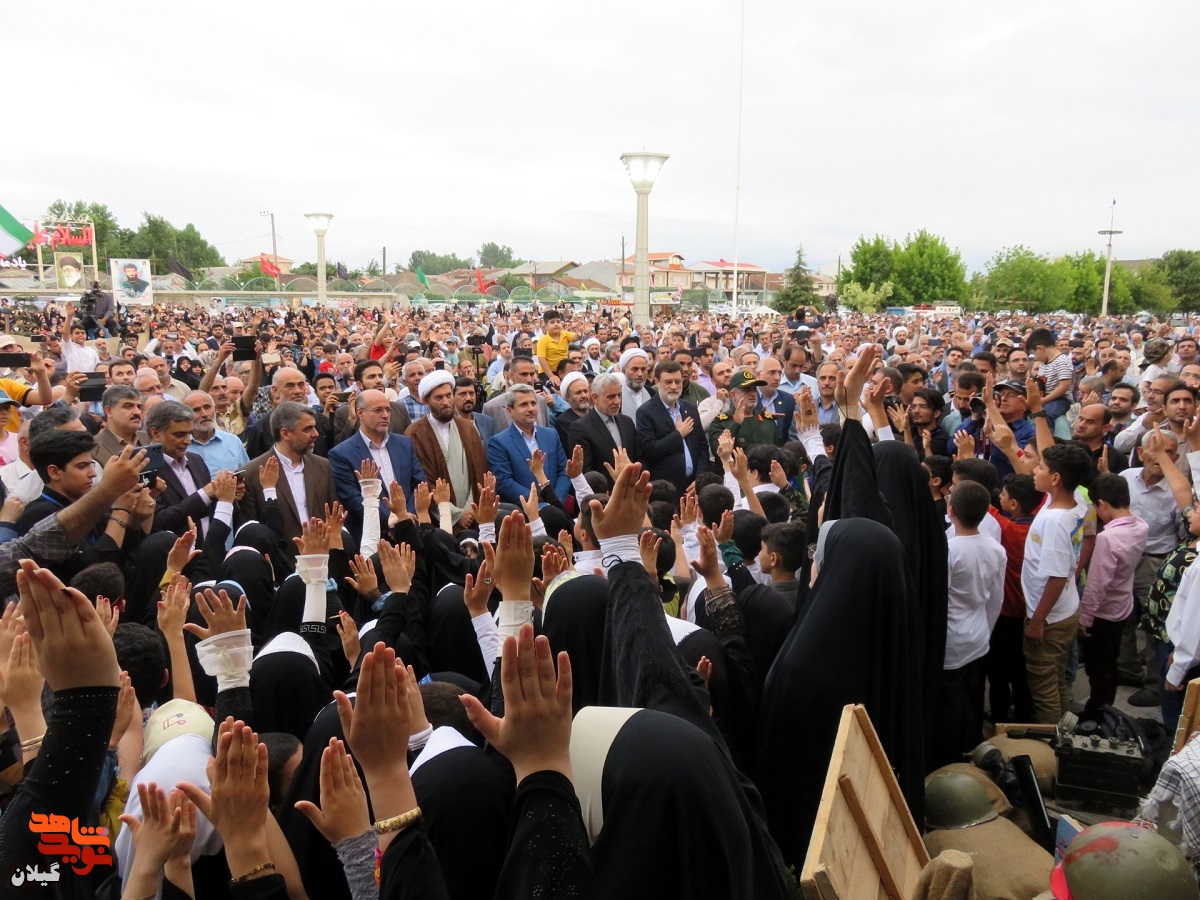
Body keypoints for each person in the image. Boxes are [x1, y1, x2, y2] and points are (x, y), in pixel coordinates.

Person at [936, 481, 1006, 767]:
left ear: (951, 510)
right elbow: (996, 598)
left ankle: (951, 760)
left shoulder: (949, 550)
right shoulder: (995, 548)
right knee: (974, 695)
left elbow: (940, 598)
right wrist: (986, 631)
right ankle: (973, 747)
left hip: (952, 640)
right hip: (978, 636)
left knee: (950, 703)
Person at [1023, 442, 1092, 723]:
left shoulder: (1055, 522)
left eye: (1040, 467)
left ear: (1055, 478)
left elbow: (1057, 576)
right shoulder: (1075, 500)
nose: (1034, 471)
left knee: (1045, 686)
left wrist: (1037, 621)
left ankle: (1051, 738)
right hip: (1064, 607)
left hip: (1050, 616)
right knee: (1058, 676)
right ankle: (1065, 727)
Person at [1078, 473, 1148, 722]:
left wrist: (1085, 619)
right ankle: (1105, 707)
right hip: (1123, 605)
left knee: (1098, 669)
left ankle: (1096, 715)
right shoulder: (1141, 525)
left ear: (1102, 504)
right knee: (1110, 664)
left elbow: (1097, 584)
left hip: (1103, 612)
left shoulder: (1107, 538)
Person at [239, 401, 337, 569]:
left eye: (314, 427)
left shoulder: (322, 466)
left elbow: (334, 516)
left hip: (323, 564)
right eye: (307, 429)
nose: (315, 434)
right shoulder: (252, 474)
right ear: (285, 433)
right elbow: (252, 532)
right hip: (281, 568)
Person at [329, 389, 426, 535]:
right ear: (360, 413)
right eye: (378, 410)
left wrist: (406, 517)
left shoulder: (404, 444)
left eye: (388, 410)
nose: (385, 415)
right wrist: (392, 519)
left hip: (412, 527)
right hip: (374, 534)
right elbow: (352, 498)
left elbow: (419, 484)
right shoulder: (342, 454)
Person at [406, 371, 487, 530]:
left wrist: (470, 509)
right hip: (439, 520)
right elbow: (422, 481)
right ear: (426, 401)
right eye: (438, 398)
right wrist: (455, 514)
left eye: (448, 395)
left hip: (473, 512)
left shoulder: (468, 428)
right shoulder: (415, 433)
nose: (445, 402)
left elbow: (479, 471)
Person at [487, 384, 570, 505]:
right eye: (524, 405)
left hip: (556, 506)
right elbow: (504, 481)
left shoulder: (551, 435)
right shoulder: (498, 442)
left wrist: (555, 499)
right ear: (510, 411)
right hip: (523, 509)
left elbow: (563, 470)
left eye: (533, 403)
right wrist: (536, 502)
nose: (531, 409)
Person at [636, 361, 707, 489]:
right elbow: (649, 450)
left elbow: (702, 446)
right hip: (665, 487)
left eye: (678, 382)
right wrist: (678, 435)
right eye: (668, 382)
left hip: (693, 484)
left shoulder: (690, 409)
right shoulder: (645, 412)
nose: (674, 387)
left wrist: (700, 478)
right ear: (657, 382)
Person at [566, 372, 639, 491]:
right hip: (603, 496)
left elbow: (639, 457)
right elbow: (586, 472)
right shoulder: (580, 428)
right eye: (611, 397)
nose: (617, 401)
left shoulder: (627, 422)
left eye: (619, 395)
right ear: (595, 398)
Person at [184, 390, 249, 475]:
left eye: (207, 407)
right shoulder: (181, 446)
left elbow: (247, 475)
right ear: (185, 416)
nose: (204, 414)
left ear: (215, 409)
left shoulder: (233, 441)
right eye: (196, 410)